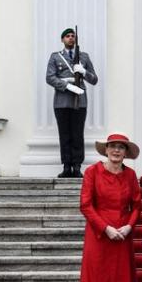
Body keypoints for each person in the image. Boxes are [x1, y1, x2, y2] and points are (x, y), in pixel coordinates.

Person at [78, 133, 142, 282]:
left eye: (121, 148)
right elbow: (85, 204)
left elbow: (137, 204)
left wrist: (128, 226)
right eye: (113, 147)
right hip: (100, 235)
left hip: (121, 235)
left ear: (126, 152)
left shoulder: (130, 175)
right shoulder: (93, 172)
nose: (116, 151)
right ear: (106, 150)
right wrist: (105, 228)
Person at [45, 28, 98, 178]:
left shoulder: (83, 57)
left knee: (77, 134)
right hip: (62, 101)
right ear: (62, 39)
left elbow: (94, 79)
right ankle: (66, 166)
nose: (70, 38)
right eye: (67, 36)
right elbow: (49, 77)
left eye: (72, 36)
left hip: (79, 100)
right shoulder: (56, 57)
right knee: (65, 134)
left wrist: (83, 72)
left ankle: (77, 166)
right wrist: (66, 85)